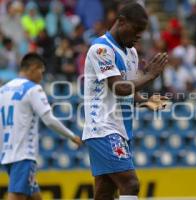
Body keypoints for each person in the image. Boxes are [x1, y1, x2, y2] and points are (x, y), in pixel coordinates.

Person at [82, 2, 168, 200]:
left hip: (120, 129)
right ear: (121, 22)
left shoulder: (131, 53)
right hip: (102, 128)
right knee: (130, 183)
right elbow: (119, 87)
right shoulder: (101, 49)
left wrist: (144, 101)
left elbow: (128, 89)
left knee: (105, 192)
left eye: (142, 32)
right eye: (136, 30)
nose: (139, 36)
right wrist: (151, 75)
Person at [0, 53, 82, 200]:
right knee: (16, 196)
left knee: (35, 196)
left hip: (7, 153)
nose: (42, 76)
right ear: (33, 68)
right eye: (41, 71)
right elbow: (49, 119)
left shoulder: (3, 90)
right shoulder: (33, 89)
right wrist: (71, 135)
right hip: (23, 154)